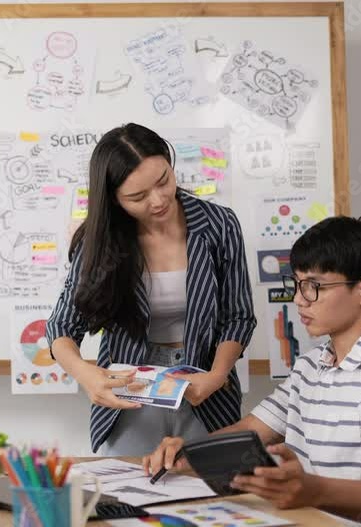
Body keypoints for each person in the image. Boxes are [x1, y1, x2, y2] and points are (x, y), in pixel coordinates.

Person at [143, 216, 361, 526]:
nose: (298, 299)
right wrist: (193, 452)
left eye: (313, 287)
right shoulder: (311, 364)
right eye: (296, 284)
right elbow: (253, 429)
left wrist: (316, 491)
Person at [47, 123, 256, 456]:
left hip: (205, 386)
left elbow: (238, 316)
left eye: (164, 181)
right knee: (125, 498)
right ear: (114, 200)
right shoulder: (99, 242)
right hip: (129, 388)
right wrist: (85, 375)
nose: (159, 200)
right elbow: (61, 328)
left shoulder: (219, 225)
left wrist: (216, 376)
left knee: (212, 493)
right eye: (138, 197)